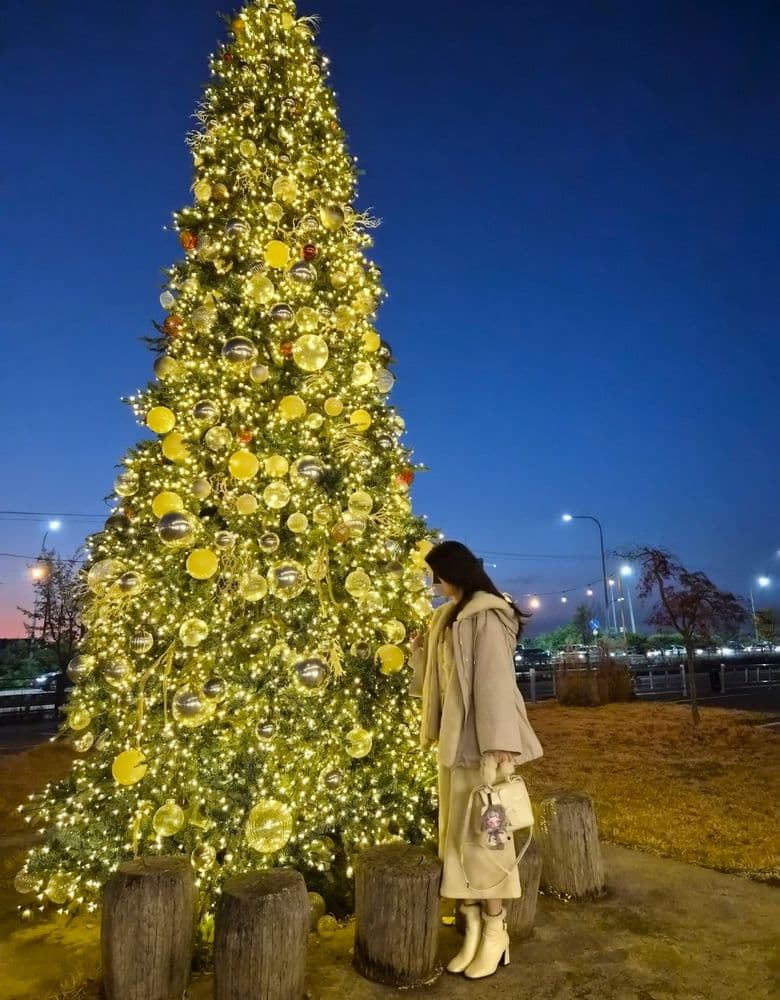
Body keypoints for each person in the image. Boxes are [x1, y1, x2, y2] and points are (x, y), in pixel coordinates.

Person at [409, 540, 543, 980]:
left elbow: (495, 682)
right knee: (456, 840)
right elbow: (438, 682)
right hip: (453, 747)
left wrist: (500, 744)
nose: (434, 583)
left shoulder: (485, 615)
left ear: (455, 572)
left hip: (484, 749)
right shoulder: (446, 618)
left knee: (489, 842)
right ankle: (471, 927)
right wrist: (419, 651)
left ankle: (494, 930)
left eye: (438, 574)